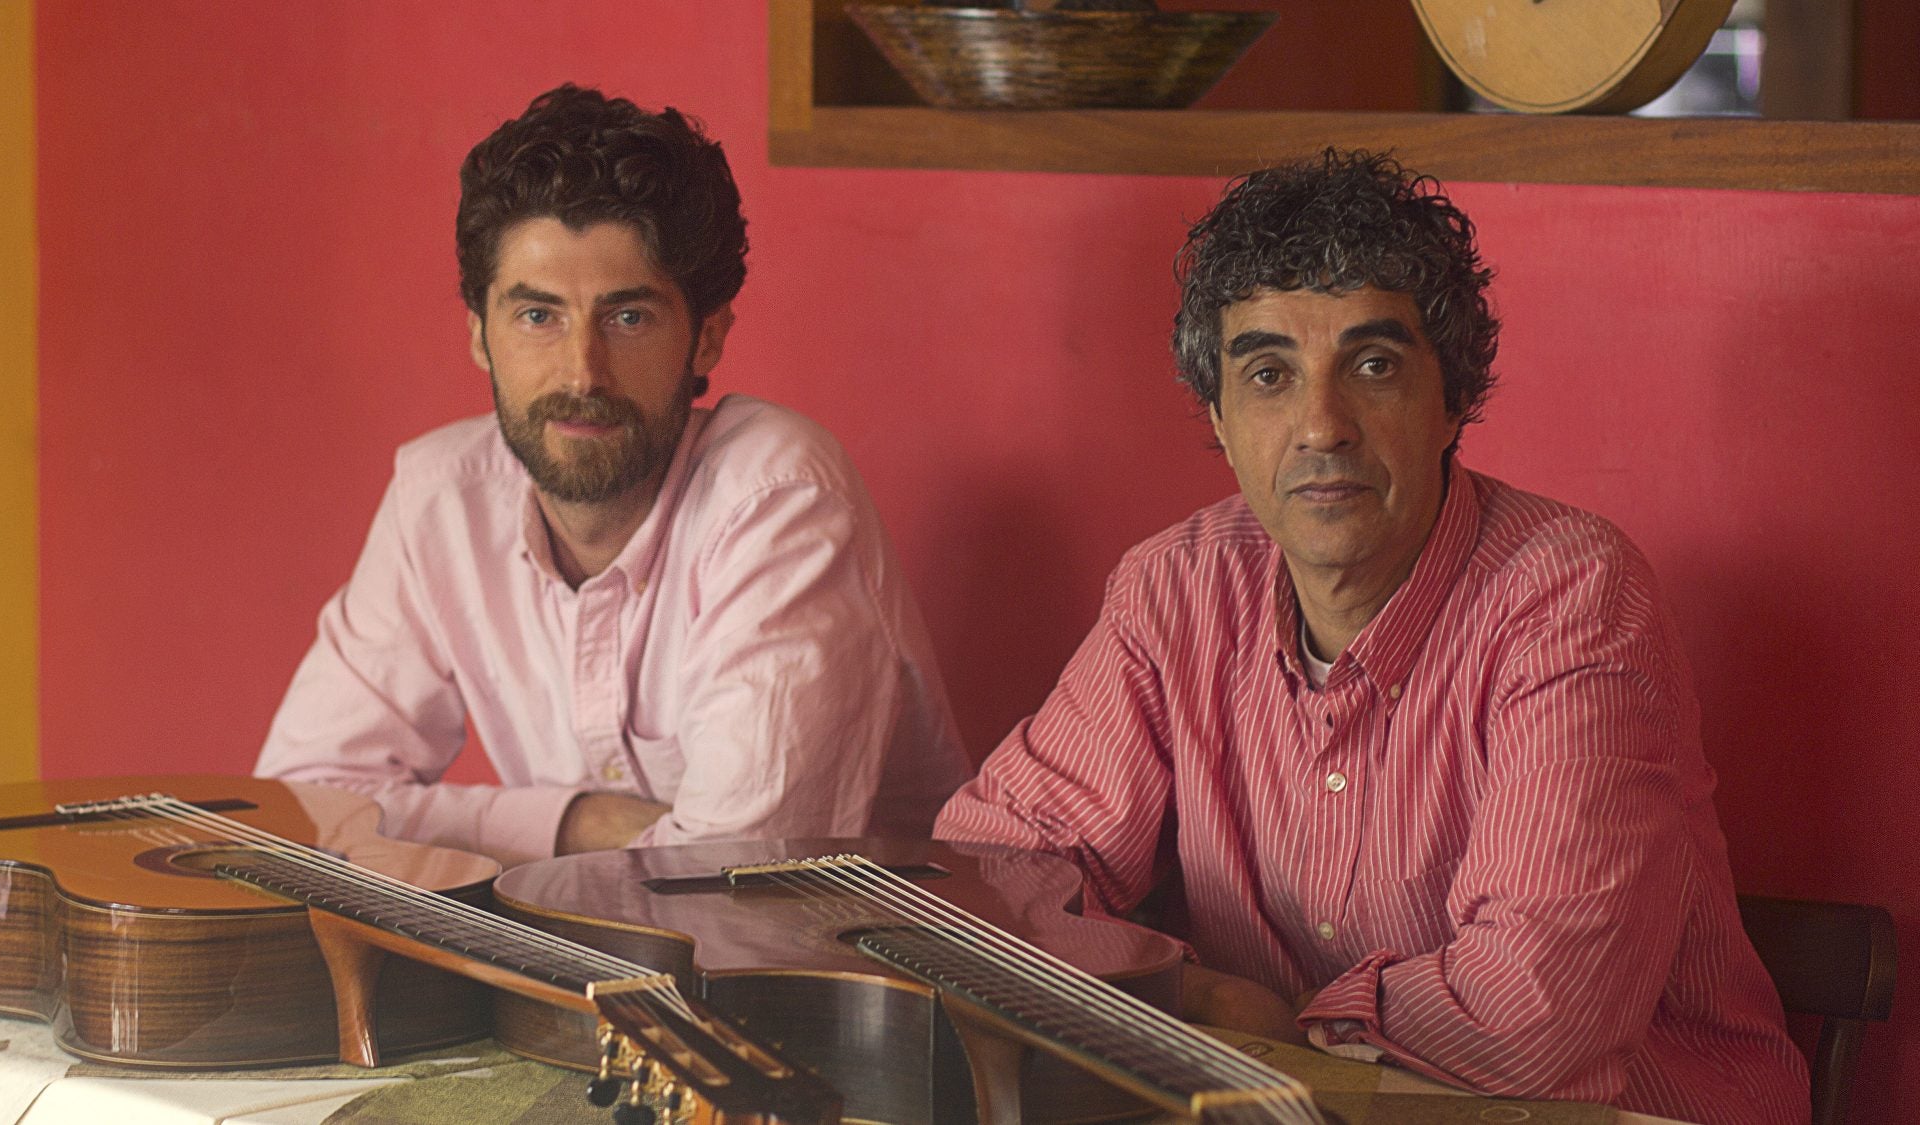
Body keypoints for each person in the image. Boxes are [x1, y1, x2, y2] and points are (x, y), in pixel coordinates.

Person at [934, 150, 1808, 1124]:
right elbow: (987, 871)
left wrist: (1253, 1020)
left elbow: (1534, 1017)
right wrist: (1202, 996)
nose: (1320, 424)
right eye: (1268, 373)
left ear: (1449, 401)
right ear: (1218, 419)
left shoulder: (1568, 595)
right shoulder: (1174, 589)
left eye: (1372, 364)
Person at [257, 84, 967, 867]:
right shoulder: (440, 498)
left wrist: (451, 828)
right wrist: (577, 822)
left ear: (706, 339)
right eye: (538, 315)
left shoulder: (779, 501)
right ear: (478, 334)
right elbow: (299, 805)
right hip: (577, 968)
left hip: (824, 980)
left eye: (628, 317)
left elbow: (728, 882)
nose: (582, 372)